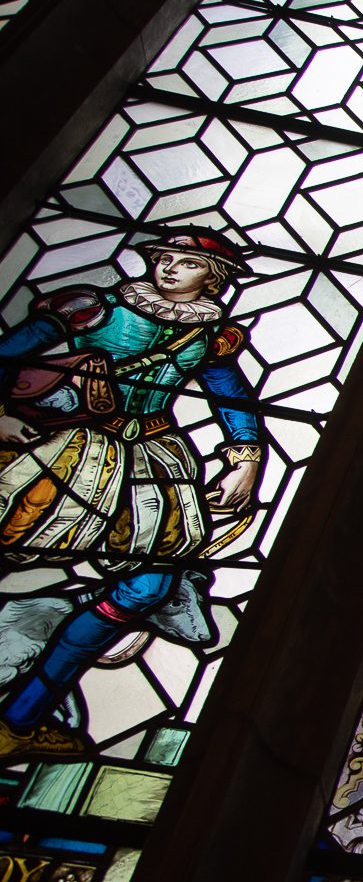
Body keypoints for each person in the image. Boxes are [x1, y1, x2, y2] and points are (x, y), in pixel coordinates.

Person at [0, 231, 261, 759]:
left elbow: (232, 398)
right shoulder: (93, 308)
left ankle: (19, 720)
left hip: (154, 455)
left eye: (187, 263)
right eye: (164, 258)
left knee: (149, 586)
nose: (169, 269)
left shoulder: (209, 335)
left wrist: (245, 460)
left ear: (212, 278)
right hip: (71, 445)